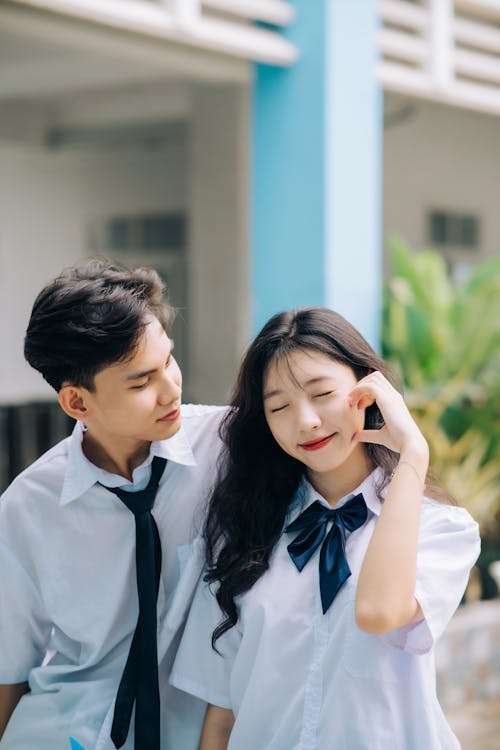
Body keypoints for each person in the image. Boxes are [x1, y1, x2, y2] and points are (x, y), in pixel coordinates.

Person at [170, 306, 481, 750]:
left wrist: (413, 452)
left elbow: (379, 612)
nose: (306, 422)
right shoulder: (242, 530)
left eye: (322, 394)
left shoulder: (440, 528)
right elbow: (222, 713)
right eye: (279, 406)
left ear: (369, 389)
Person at [0, 259, 226, 750]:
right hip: (64, 733)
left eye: (169, 360)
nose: (172, 388)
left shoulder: (228, 449)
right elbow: (9, 666)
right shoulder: (27, 506)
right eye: (142, 382)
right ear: (78, 403)